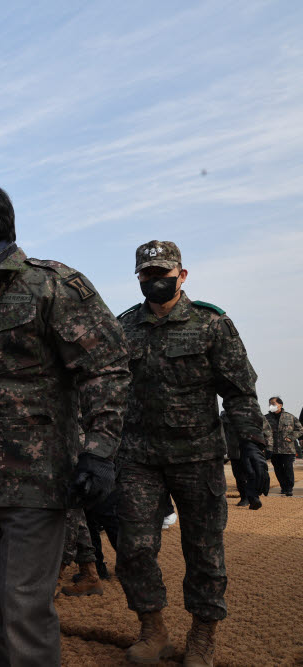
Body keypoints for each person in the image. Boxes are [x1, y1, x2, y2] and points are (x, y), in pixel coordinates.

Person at [0, 183, 130, 665]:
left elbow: (107, 364)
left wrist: (100, 451)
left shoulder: (49, 284)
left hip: (33, 483)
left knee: (23, 608)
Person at [114, 241, 266, 666]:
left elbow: (238, 392)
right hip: (138, 457)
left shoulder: (211, 325)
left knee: (203, 549)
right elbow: (106, 386)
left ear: (182, 275)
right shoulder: (123, 327)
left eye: (163, 272)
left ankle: (202, 636)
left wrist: (251, 444)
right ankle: (153, 630)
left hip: (197, 455)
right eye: (147, 274)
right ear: (139, 278)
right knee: (134, 548)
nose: (155, 280)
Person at [221, 410, 265, 508]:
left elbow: (265, 430)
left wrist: (266, 446)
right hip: (234, 450)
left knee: (252, 473)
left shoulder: (253, 412)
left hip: (251, 449)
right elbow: (221, 433)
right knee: (239, 476)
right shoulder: (224, 415)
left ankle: (253, 497)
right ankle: (244, 497)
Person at [265, 397, 303, 496]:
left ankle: (289, 488)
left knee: (288, 468)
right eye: (269, 404)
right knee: (278, 469)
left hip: (287, 449)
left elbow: (300, 429)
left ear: (280, 405)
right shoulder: (266, 418)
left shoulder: (290, 417)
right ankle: (283, 487)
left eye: (273, 403)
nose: (271, 406)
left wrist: (291, 437)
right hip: (273, 449)